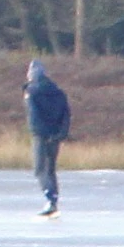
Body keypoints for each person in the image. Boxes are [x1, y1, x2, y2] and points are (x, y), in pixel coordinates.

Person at [24, 57, 71, 215]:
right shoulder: (58, 92)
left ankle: (50, 198)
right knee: (50, 169)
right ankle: (54, 200)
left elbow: (33, 116)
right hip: (55, 136)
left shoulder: (32, 92)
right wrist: (60, 134)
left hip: (41, 136)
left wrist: (40, 133)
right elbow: (66, 115)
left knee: (39, 169)